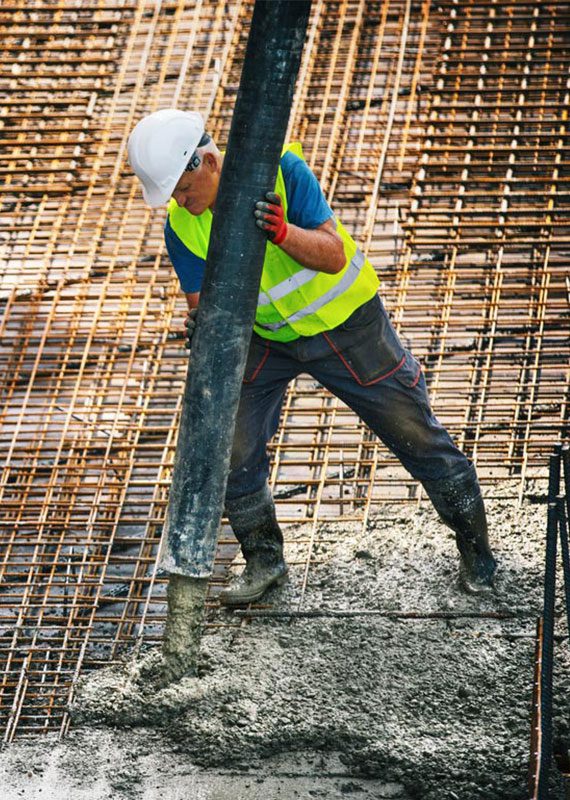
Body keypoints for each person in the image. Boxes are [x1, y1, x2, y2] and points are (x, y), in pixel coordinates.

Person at [128, 108, 498, 605]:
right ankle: (264, 561)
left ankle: (478, 553)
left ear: (207, 162)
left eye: (180, 187)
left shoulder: (282, 172)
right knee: (232, 443)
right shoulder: (183, 227)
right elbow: (203, 304)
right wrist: (203, 323)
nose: (178, 200)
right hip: (267, 338)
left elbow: (332, 254)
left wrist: (283, 233)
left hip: (348, 327)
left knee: (414, 431)